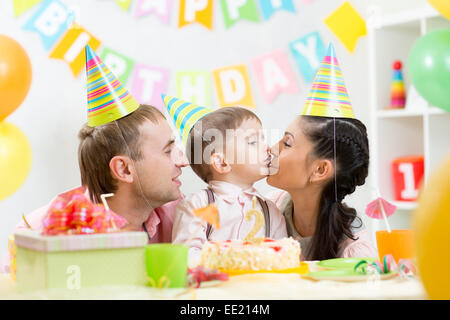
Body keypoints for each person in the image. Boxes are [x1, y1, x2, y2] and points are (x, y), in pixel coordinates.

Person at [1, 46, 188, 272]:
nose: (183, 161)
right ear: (124, 169)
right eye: (168, 151)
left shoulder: (181, 217)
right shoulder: (41, 234)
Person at [266, 44, 377, 261]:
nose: (271, 149)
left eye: (287, 143)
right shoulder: (269, 208)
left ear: (320, 169)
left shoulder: (354, 254)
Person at [165, 96, 287, 260]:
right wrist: (233, 258)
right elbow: (185, 257)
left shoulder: (271, 211)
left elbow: (284, 258)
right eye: (253, 142)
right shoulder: (197, 206)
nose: (267, 148)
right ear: (222, 162)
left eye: (262, 139)